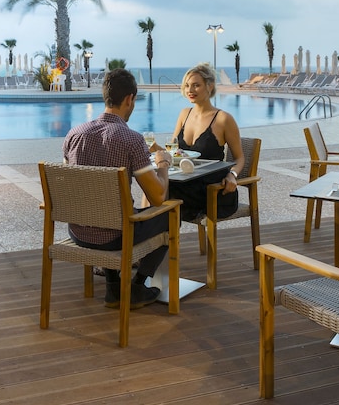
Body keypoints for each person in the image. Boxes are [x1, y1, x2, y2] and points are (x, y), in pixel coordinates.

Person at [63, 68, 173, 310]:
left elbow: (73, 186)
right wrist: (163, 165)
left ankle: (113, 287)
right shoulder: (131, 140)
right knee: (169, 215)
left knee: (107, 212)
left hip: (78, 232)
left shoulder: (74, 135)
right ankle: (136, 286)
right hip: (114, 238)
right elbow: (157, 197)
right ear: (129, 99)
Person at [168, 63, 244, 222]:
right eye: (187, 85)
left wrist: (232, 175)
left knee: (161, 192)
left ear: (210, 86)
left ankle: (146, 231)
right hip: (185, 183)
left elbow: (239, 158)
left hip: (213, 190)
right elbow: (173, 151)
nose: (190, 90)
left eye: (196, 85)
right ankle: (152, 233)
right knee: (155, 186)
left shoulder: (223, 119)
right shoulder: (184, 114)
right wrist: (154, 148)